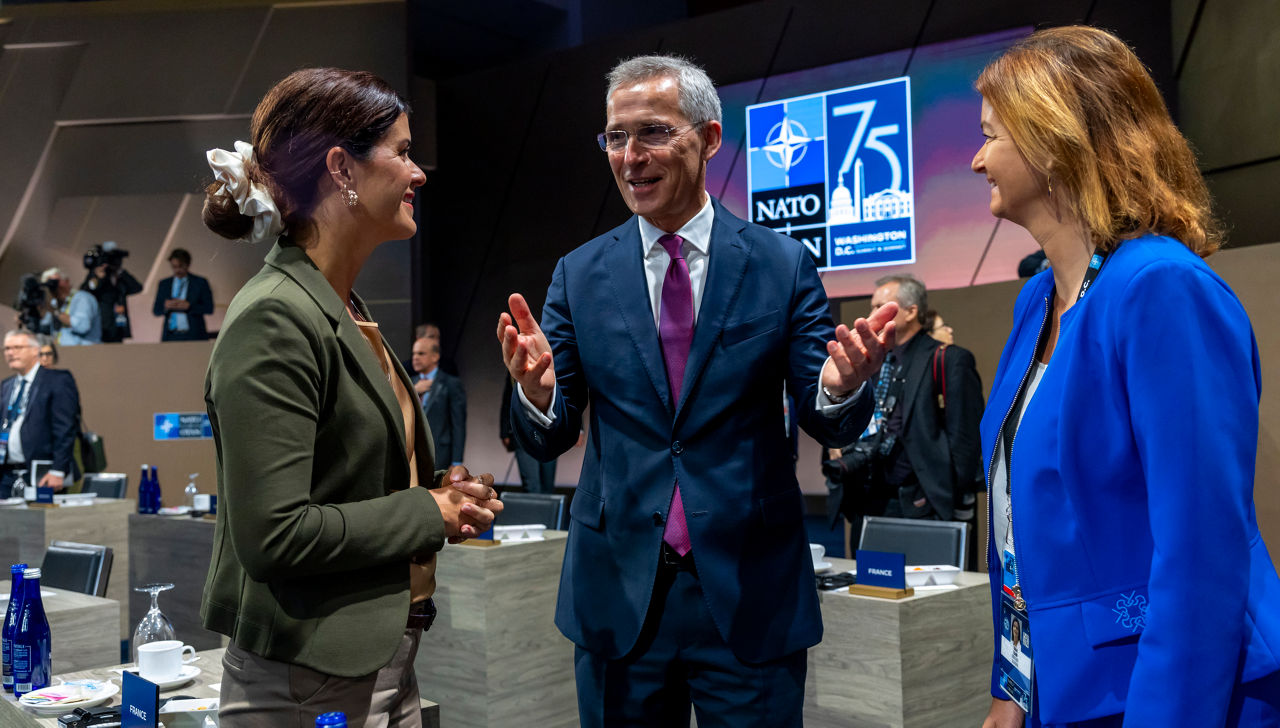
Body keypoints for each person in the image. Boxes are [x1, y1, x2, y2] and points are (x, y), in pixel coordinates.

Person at [498, 54, 896, 726]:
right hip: (620, 590)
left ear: (710, 138)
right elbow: (553, 430)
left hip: (750, 590)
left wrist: (839, 388)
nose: (630, 157)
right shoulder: (579, 274)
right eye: (615, 138)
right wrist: (537, 395)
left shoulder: (779, 263)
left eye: (653, 132)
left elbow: (825, 413)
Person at [971, 26, 1280, 727]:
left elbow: (1202, 549)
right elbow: (1022, 528)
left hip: (1165, 688)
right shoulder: (1035, 300)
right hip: (1065, 687)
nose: (975, 159)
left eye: (991, 135)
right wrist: (1012, 689)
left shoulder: (1161, 288)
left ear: (1053, 139)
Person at [200, 67, 501, 727]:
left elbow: (351, 484)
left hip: (384, 663)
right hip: (306, 682)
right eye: (401, 151)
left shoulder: (339, 306)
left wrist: (440, 493)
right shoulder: (275, 316)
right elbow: (273, 534)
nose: (419, 173)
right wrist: (429, 510)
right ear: (341, 168)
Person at [823, 274, 984, 549]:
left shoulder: (949, 359)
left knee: (927, 591)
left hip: (922, 505)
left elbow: (966, 443)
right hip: (868, 502)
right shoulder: (868, 361)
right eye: (873, 306)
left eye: (881, 306)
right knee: (871, 588)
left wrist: (941, 496)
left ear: (911, 312)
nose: (872, 314)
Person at [0, 330, 80, 495]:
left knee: (39, 520)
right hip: (6, 474)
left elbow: (65, 429)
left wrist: (58, 470)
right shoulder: (7, 386)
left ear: (35, 350)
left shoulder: (56, 380)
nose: (10, 353)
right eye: (7, 349)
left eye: (17, 347)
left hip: (43, 474)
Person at [410, 336, 466, 467]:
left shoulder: (451, 383)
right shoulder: (409, 383)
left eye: (421, 353)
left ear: (435, 357)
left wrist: (457, 461)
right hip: (413, 454)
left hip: (440, 454)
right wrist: (414, 391)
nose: (415, 357)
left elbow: (458, 424)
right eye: (414, 353)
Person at [499, 376, 556, 493]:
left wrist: (579, 428)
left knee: (547, 483)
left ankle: (546, 511)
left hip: (549, 432)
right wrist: (504, 432)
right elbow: (508, 399)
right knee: (531, 484)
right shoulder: (517, 367)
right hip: (524, 430)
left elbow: (568, 394)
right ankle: (534, 510)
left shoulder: (554, 363)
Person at [84, 241, 143, 342]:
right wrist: (98, 277)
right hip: (102, 328)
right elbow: (87, 291)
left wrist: (120, 271)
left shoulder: (120, 278)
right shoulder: (97, 275)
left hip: (118, 326)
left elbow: (137, 287)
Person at [152, 248, 214, 341]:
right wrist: (166, 306)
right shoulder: (164, 284)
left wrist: (189, 306)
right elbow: (156, 310)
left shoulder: (200, 282)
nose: (177, 270)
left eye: (180, 266)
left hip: (194, 335)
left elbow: (209, 308)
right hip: (171, 336)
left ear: (187, 264)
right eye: (174, 266)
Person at [40, 267, 101, 346]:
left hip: (83, 351)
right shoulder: (54, 303)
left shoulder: (82, 298)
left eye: (55, 282)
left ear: (67, 281)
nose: (53, 287)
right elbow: (44, 328)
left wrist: (56, 312)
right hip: (63, 350)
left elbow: (82, 326)